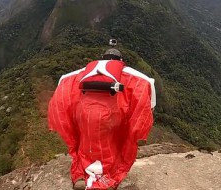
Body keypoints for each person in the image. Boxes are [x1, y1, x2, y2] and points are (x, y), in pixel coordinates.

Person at [48, 46, 156, 190]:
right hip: (113, 114)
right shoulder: (137, 77)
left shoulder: (78, 74)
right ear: (121, 60)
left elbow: (61, 88)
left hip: (83, 113)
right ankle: (109, 178)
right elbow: (149, 106)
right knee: (114, 145)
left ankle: (81, 174)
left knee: (85, 143)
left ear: (102, 58)